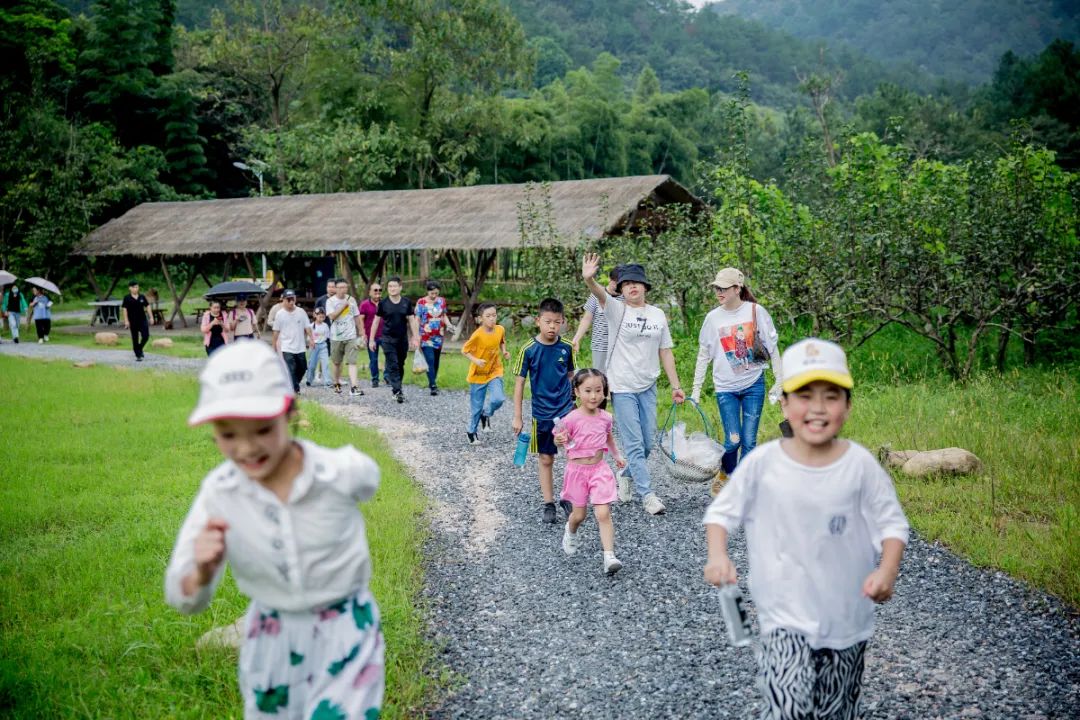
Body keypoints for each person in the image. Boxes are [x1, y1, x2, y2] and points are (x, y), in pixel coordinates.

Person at [165, 341, 384, 720]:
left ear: (290, 412)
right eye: (228, 435)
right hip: (270, 635)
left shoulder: (340, 471)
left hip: (346, 630)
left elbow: (370, 479)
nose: (247, 448)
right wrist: (202, 568)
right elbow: (184, 598)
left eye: (262, 429)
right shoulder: (220, 494)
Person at [703, 338, 908, 720]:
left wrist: (887, 571)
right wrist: (718, 556)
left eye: (831, 396)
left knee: (837, 708)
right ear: (784, 403)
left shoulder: (860, 466)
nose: (817, 408)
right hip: (783, 615)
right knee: (788, 707)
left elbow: (892, 524)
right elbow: (721, 514)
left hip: (848, 619)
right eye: (803, 396)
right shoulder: (763, 464)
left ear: (847, 406)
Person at [581, 254, 685, 516]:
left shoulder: (658, 315)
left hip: (648, 384)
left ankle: (626, 474)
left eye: (637, 283)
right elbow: (599, 294)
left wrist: (675, 385)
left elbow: (665, 351)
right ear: (621, 288)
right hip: (622, 385)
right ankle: (647, 494)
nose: (632, 287)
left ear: (645, 287)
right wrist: (589, 278)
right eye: (626, 283)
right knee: (635, 444)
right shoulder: (616, 309)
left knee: (648, 442)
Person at [691, 267, 782, 495]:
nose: (718, 292)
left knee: (749, 442)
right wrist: (696, 390)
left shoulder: (756, 311)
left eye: (723, 288)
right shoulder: (712, 318)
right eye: (716, 288)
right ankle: (724, 472)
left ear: (737, 288)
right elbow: (704, 355)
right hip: (725, 389)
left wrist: (779, 381)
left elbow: (773, 348)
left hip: (754, 385)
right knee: (733, 441)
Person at [555, 368, 626, 575]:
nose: (593, 396)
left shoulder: (606, 417)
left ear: (604, 391)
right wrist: (559, 439)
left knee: (603, 512)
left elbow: (609, 438)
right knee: (579, 515)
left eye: (598, 390)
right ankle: (570, 530)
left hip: (599, 470)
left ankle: (609, 556)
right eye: (587, 391)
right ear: (577, 391)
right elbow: (560, 438)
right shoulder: (570, 418)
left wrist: (617, 456)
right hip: (577, 472)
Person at [512, 297, 576, 524]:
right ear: (538, 321)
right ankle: (548, 503)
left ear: (563, 322)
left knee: (572, 456)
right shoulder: (528, 349)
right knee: (546, 458)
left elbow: (572, 377)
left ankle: (568, 496)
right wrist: (518, 416)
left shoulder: (567, 347)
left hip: (566, 412)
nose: (552, 327)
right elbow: (519, 383)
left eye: (557, 322)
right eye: (548, 321)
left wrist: (579, 407)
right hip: (541, 414)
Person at [462, 302, 510, 444]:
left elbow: (501, 342)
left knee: (498, 398)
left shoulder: (500, 329)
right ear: (480, 318)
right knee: (476, 407)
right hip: (478, 375)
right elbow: (465, 350)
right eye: (488, 316)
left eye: (494, 315)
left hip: (495, 370)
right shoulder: (477, 335)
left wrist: (504, 351)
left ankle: (486, 413)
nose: (492, 319)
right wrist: (476, 360)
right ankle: (471, 432)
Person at [369, 276, 418, 404]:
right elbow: (375, 322)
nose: (392, 288)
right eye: (390, 286)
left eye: (395, 286)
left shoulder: (406, 302)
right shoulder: (383, 303)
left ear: (400, 287)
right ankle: (397, 390)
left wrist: (415, 337)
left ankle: (397, 388)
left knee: (400, 364)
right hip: (387, 339)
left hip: (402, 339)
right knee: (393, 364)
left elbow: (412, 320)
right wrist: (371, 340)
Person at [570, 266, 621, 372]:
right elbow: (587, 318)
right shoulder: (596, 294)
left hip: (620, 345)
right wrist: (577, 338)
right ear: (610, 279)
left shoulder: (626, 297)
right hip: (600, 344)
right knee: (600, 377)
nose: (617, 285)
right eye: (615, 282)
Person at [326, 279, 365, 397]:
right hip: (336, 337)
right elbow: (332, 316)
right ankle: (336, 383)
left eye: (345, 287)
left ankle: (354, 387)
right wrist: (343, 306)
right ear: (336, 289)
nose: (343, 290)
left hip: (350, 336)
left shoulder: (351, 300)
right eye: (341, 287)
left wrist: (362, 332)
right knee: (337, 363)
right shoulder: (330, 301)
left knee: (352, 361)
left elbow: (357, 317)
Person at [415, 280, 455, 396]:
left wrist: (449, 325)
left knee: (436, 361)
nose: (434, 296)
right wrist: (416, 335)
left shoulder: (442, 301)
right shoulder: (421, 302)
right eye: (432, 293)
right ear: (427, 292)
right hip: (425, 336)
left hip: (439, 335)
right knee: (430, 360)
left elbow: (444, 315)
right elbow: (417, 319)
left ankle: (432, 380)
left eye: (436, 293)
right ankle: (433, 385)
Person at [272, 290, 314, 393]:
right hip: (286, 347)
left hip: (300, 346)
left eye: (293, 299)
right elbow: (276, 331)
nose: (291, 302)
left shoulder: (301, 312)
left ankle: (293, 383)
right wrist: (274, 346)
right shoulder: (280, 314)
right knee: (291, 369)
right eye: (288, 300)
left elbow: (307, 327)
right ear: (283, 300)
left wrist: (312, 339)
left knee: (302, 367)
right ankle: (295, 390)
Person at [358, 283, 384, 388]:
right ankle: (375, 379)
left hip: (385, 335)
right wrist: (363, 333)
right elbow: (360, 320)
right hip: (371, 336)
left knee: (390, 357)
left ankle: (387, 377)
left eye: (380, 290)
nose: (378, 292)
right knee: (373, 359)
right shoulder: (364, 304)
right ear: (370, 292)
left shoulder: (385, 303)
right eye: (375, 290)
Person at [122, 280, 151, 362]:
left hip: (143, 320)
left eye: (137, 287)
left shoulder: (142, 297)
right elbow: (124, 310)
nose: (136, 289)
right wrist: (126, 321)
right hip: (133, 321)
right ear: (130, 288)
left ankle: (139, 348)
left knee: (146, 336)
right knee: (135, 338)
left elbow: (147, 306)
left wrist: (151, 317)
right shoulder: (127, 298)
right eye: (134, 287)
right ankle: (138, 355)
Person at [306, 307, 332, 388]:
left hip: (323, 346)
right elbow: (308, 338)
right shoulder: (310, 326)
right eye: (320, 316)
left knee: (325, 363)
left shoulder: (325, 326)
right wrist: (311, 341)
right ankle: (309, 379)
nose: (321, 318)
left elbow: (328, 336)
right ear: (315, 315)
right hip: (314, 346)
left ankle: (327, 381)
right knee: (312, 365)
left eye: (323, 317)